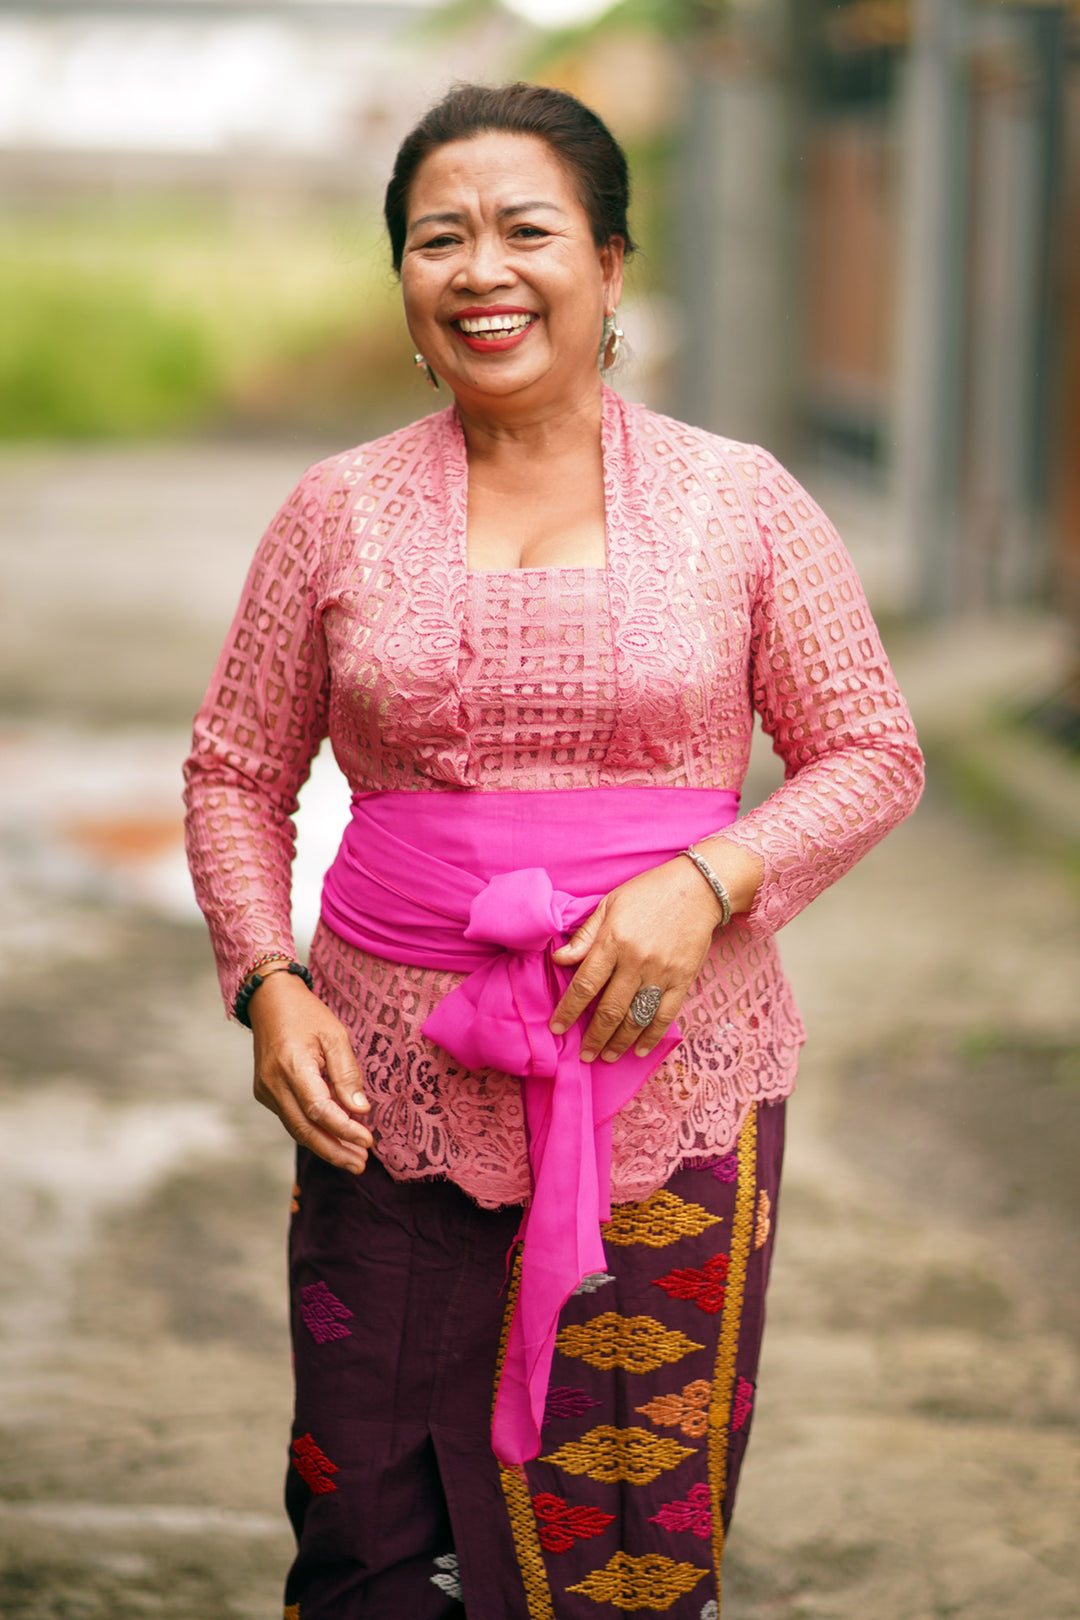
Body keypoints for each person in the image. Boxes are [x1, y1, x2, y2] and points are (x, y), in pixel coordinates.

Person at [184, 81, 923, 1620]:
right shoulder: (335, 513)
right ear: (404, 279)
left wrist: (703, 886)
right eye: (436, 238)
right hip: (383, 1087)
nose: (481, 271)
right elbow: (237, 770)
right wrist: (267, 983)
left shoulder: (740, 503)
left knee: (626, 1527)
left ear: (610, 261)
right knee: (368, 1523)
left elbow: (871, 751)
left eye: (525, 230)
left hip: (668, 1074)